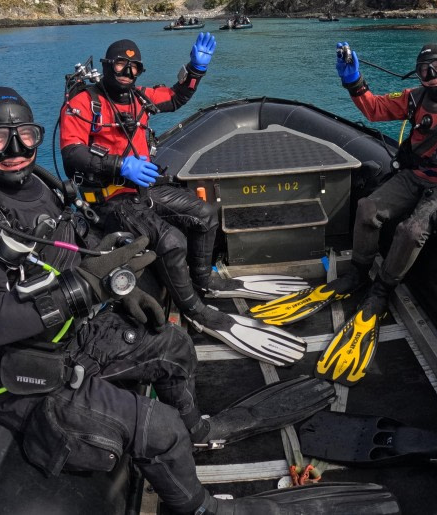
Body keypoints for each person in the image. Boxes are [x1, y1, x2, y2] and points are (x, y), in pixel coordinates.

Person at [0, 87, 366, 515]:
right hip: (20, 376)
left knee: (173, 346)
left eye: (27, 136)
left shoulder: (38, 187)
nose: (15, 148)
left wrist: (123, 286)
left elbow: (72, 248)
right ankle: (199, 506)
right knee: (162, 431)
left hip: (66, 338)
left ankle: (198, 431)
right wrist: (85, 291)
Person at [253, 42, 437, 387]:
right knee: (367, 208)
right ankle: (359, 273)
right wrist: (354, 81)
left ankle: (382, 289)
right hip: (413, 176)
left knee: (412, 230)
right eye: (424, 70)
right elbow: (375, 109)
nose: (431, 76)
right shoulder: (414, 98)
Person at [59, 37, 307, 365]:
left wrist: (197, 68)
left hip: (143, 188)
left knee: (205, 214)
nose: (127, 72)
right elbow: (72, 153)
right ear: (108, 65)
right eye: (120, 64)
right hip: (109, 200)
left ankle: (204, 282)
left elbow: (175, 98)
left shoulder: (139, 97)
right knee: (172, 241)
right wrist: (120, 164)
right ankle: (195, 310)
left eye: (134, 67)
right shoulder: (83, 103)